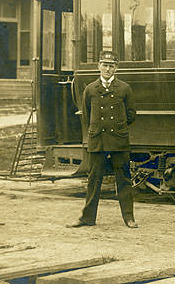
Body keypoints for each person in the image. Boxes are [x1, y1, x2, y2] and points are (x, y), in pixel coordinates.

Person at [69, 50, 138, 228]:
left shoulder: (124, 88)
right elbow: (86, 115)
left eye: (111, 66)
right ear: (99, 66)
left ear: (116, 68)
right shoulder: (90, 89)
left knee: (123, 178)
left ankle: (129, 218)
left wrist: (119, 128)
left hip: (118, 140)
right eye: (105, 65)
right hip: (98, 139)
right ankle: (87, 218)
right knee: (94, 179)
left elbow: (131, 114)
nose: (108, 69)